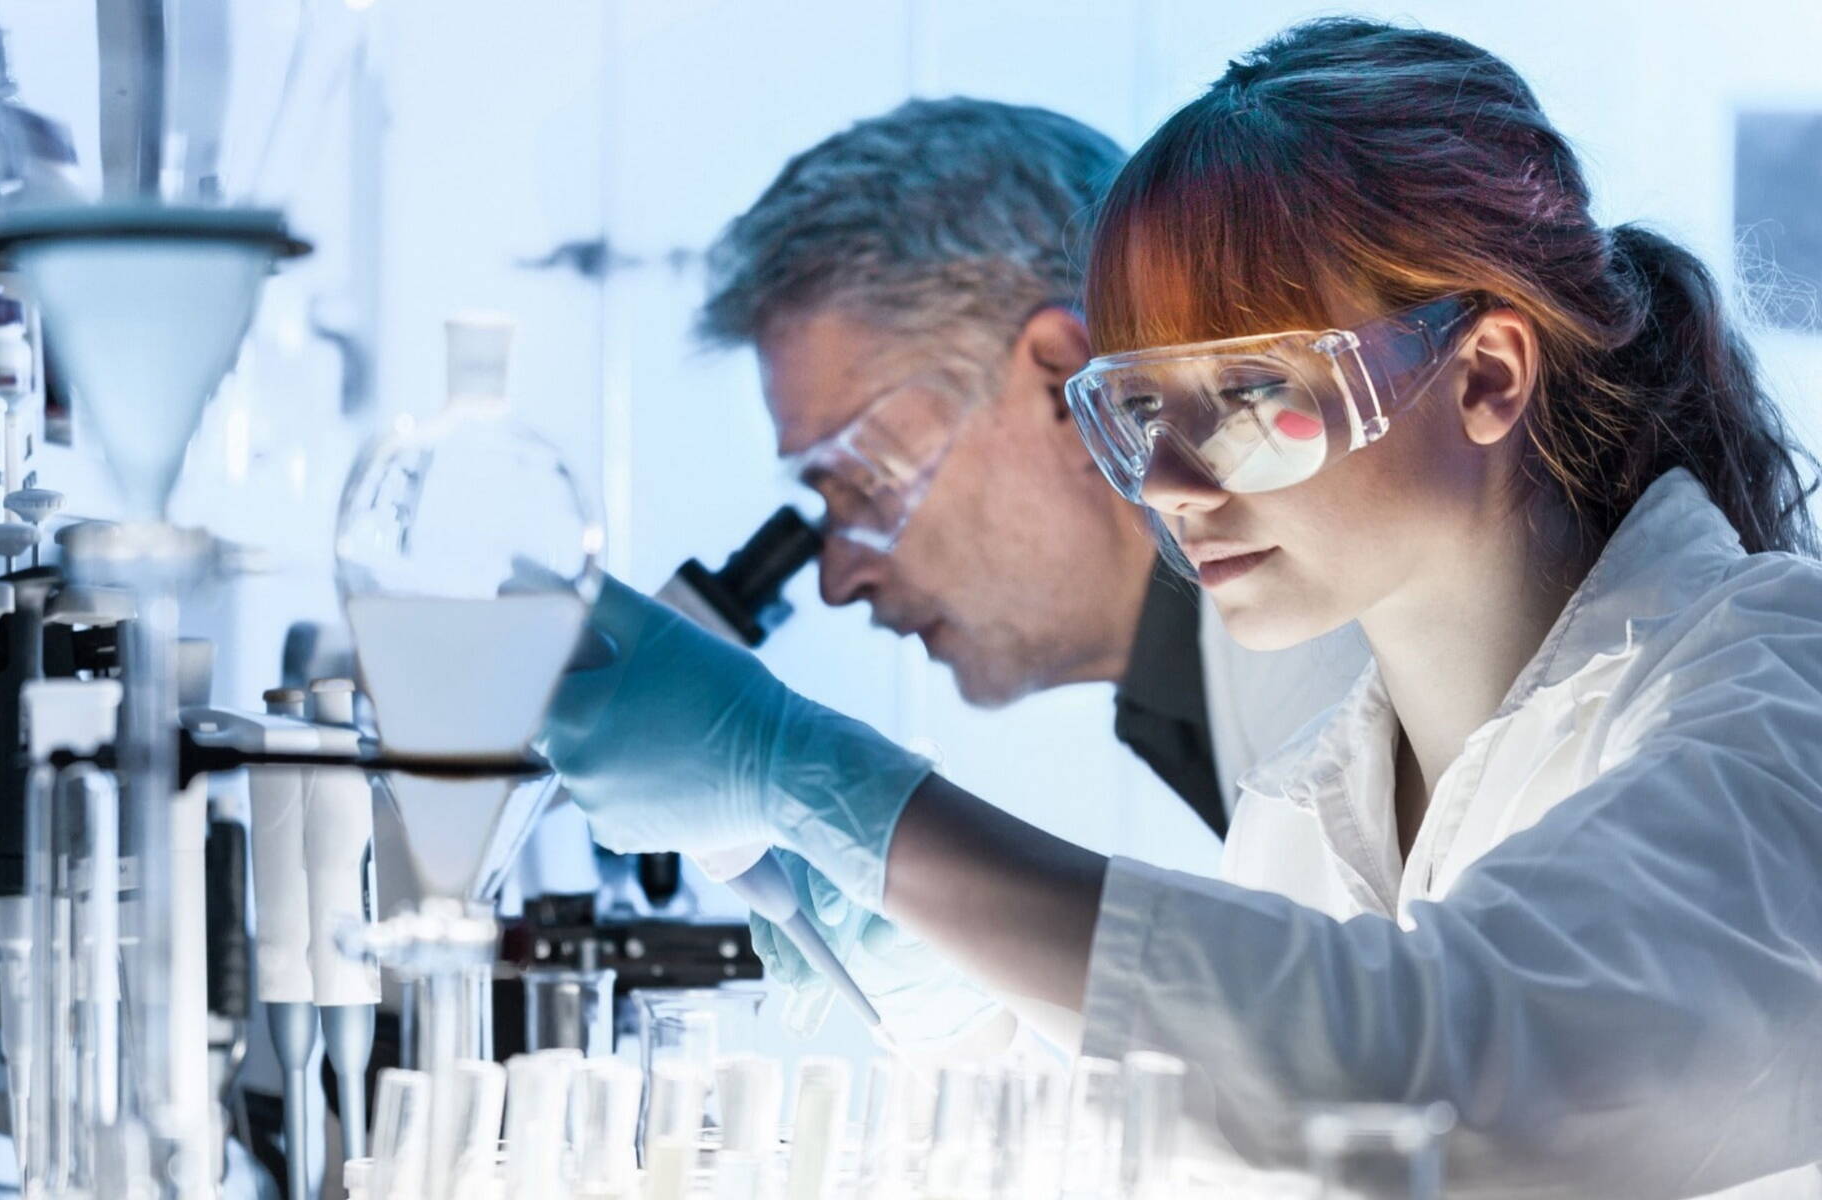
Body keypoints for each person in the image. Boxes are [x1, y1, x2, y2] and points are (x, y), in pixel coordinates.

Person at [542, 18, 1822, 1199]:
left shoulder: (1777, 689)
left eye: (1256, 391)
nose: (1165, 481)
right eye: (1142, 410)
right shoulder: (1308, 807)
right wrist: (960, 1002)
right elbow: (1235, 1133)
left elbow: (1438, 1077)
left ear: (1483, 374)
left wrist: (846, 794)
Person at [691, 99, 1366, 1041]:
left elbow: (1369, 1071)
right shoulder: (1205, 679)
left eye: (860, 483)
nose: (839, 578)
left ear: (1064, 380)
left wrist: (864, 816)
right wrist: (988, 1000)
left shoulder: (1332, 640)